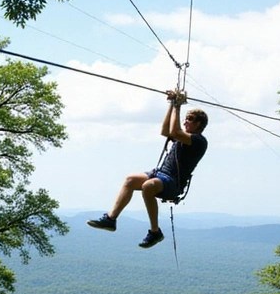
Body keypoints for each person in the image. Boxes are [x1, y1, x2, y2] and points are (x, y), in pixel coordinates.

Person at [87, 91, 209, 248]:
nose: (185, 121)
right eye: (185, 118)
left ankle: (155, 232)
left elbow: (174, 132)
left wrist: (178, 106)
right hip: (160, 174)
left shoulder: (199, 141)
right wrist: (172, 104)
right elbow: (166, 131)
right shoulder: (184, 136)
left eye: (190, 119)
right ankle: (111, 219)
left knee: (148, 186)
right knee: (130, 180)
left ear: (199, 124)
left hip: (173, 183)